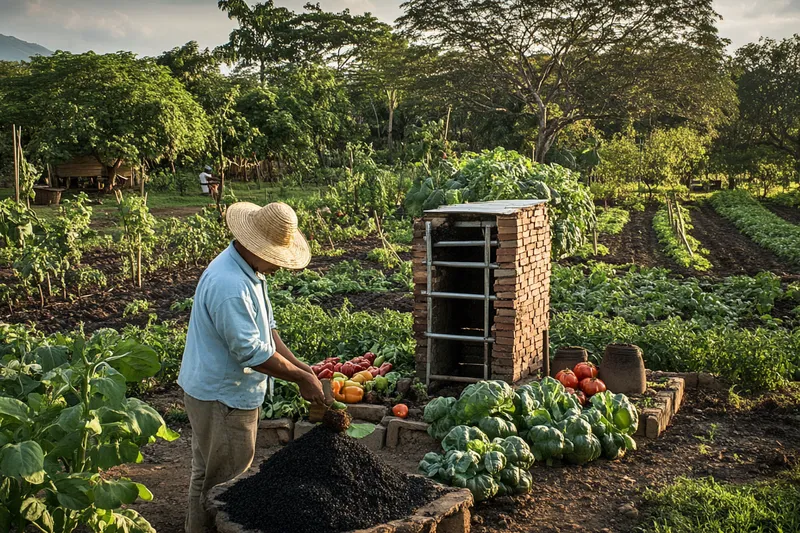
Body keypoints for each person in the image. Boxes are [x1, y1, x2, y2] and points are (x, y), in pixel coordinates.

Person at [178, 201, 325, 533]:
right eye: (274, 257)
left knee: (206, 473)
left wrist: (301, 365)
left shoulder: (248, 270)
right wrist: (299, 378)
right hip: (223, 398)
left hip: (210, 389)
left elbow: (266, 329)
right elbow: (250, 351)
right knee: (225, 481)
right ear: (254, 244)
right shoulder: (230, 284)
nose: (278, 266)